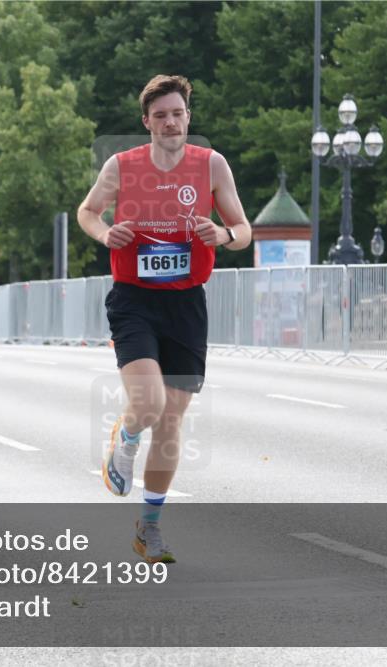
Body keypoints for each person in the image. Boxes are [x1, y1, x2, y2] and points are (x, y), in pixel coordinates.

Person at [77, 75, 252, 563]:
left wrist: (223, 235)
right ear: (147, 122)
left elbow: (243, 229)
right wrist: (105, 233)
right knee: (149, 403)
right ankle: (127, 435)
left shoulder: (211, 164)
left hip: (186, 304)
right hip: (134, 300)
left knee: (172, 420)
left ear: (188, 118)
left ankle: (148, 528)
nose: (170, 122)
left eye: (177, 113)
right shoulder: (122, 165)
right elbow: (87, 212)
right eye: (160, 116)